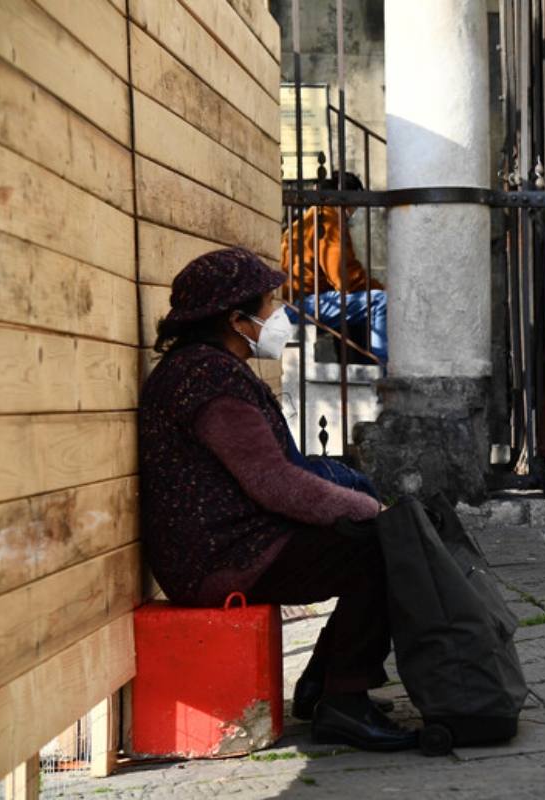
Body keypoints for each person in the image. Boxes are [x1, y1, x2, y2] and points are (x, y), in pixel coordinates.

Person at [138, 248, 416, 750]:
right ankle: (345, 704)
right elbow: (273, 483)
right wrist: (366, 509)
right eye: (269, 304)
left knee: (369, 539)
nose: (279, 315)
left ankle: (321, 685)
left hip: (232, 542)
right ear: (235, 320)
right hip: (219, 560)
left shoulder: (209, 367)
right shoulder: (206, 378)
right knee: (376, 549)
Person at [282, 172, 388, 365]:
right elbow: (345, 278)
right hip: (300, 305)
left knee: (357, 306)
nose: (354, 212)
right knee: (381, 301)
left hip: (291, 302)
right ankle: (385, 371)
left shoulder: (308, 219)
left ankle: (362, 364)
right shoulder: (328, 219)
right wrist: (380, 288)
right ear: (349, 199)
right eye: (355, 205)